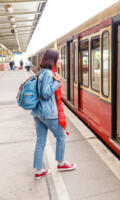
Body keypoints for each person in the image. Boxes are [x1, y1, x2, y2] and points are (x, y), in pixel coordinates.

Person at [31, 49, 76, 180]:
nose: (61, 60)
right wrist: (57, 82)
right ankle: (61, 163)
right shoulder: (49, 74)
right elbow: (45, 93)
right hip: (48, 113)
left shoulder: (40, 73)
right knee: (61, 137)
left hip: (38, 112)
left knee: (40, 141)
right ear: (53, 60)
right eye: (59, 58)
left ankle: (39, 170)